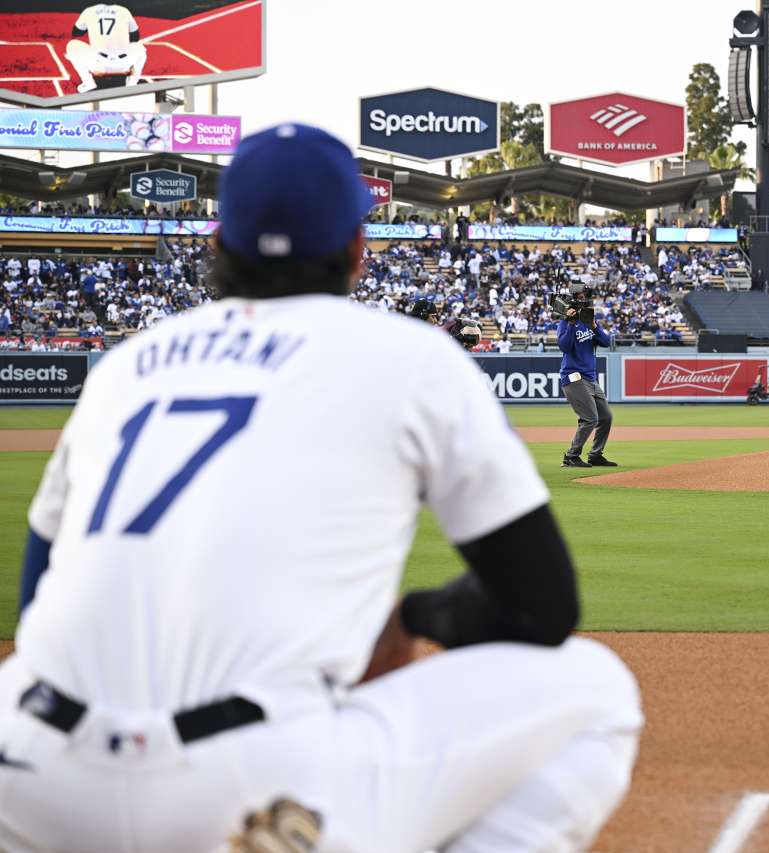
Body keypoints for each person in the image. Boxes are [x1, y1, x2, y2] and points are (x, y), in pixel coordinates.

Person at [0, 124, 642, 853]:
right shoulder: (411, 358)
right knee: (597, 692)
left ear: (216, 247)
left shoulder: (125, 367)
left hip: (31, 769)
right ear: (357, 251)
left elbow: (32, 604)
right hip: (247, 781)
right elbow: (544, 603)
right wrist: (414, 616)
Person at [558, 302, 616, 468]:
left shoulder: (588, 322)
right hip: (573, 376)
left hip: (591, 378)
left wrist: (594, 326)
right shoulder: (565, 322)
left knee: (606, 417)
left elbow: (606, 342)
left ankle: (595, 455)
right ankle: (571, 456)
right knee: (590, 418)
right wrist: (570, 323)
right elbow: (564, 346)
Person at [65, 4, 148, 94]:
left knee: (72, 45)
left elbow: (76, 32)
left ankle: (88, 83)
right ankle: (132, 84)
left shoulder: (89, 11)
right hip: (124, 64)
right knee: (140, 48)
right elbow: (135, 37)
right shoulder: (124, 10)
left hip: (98, 65)